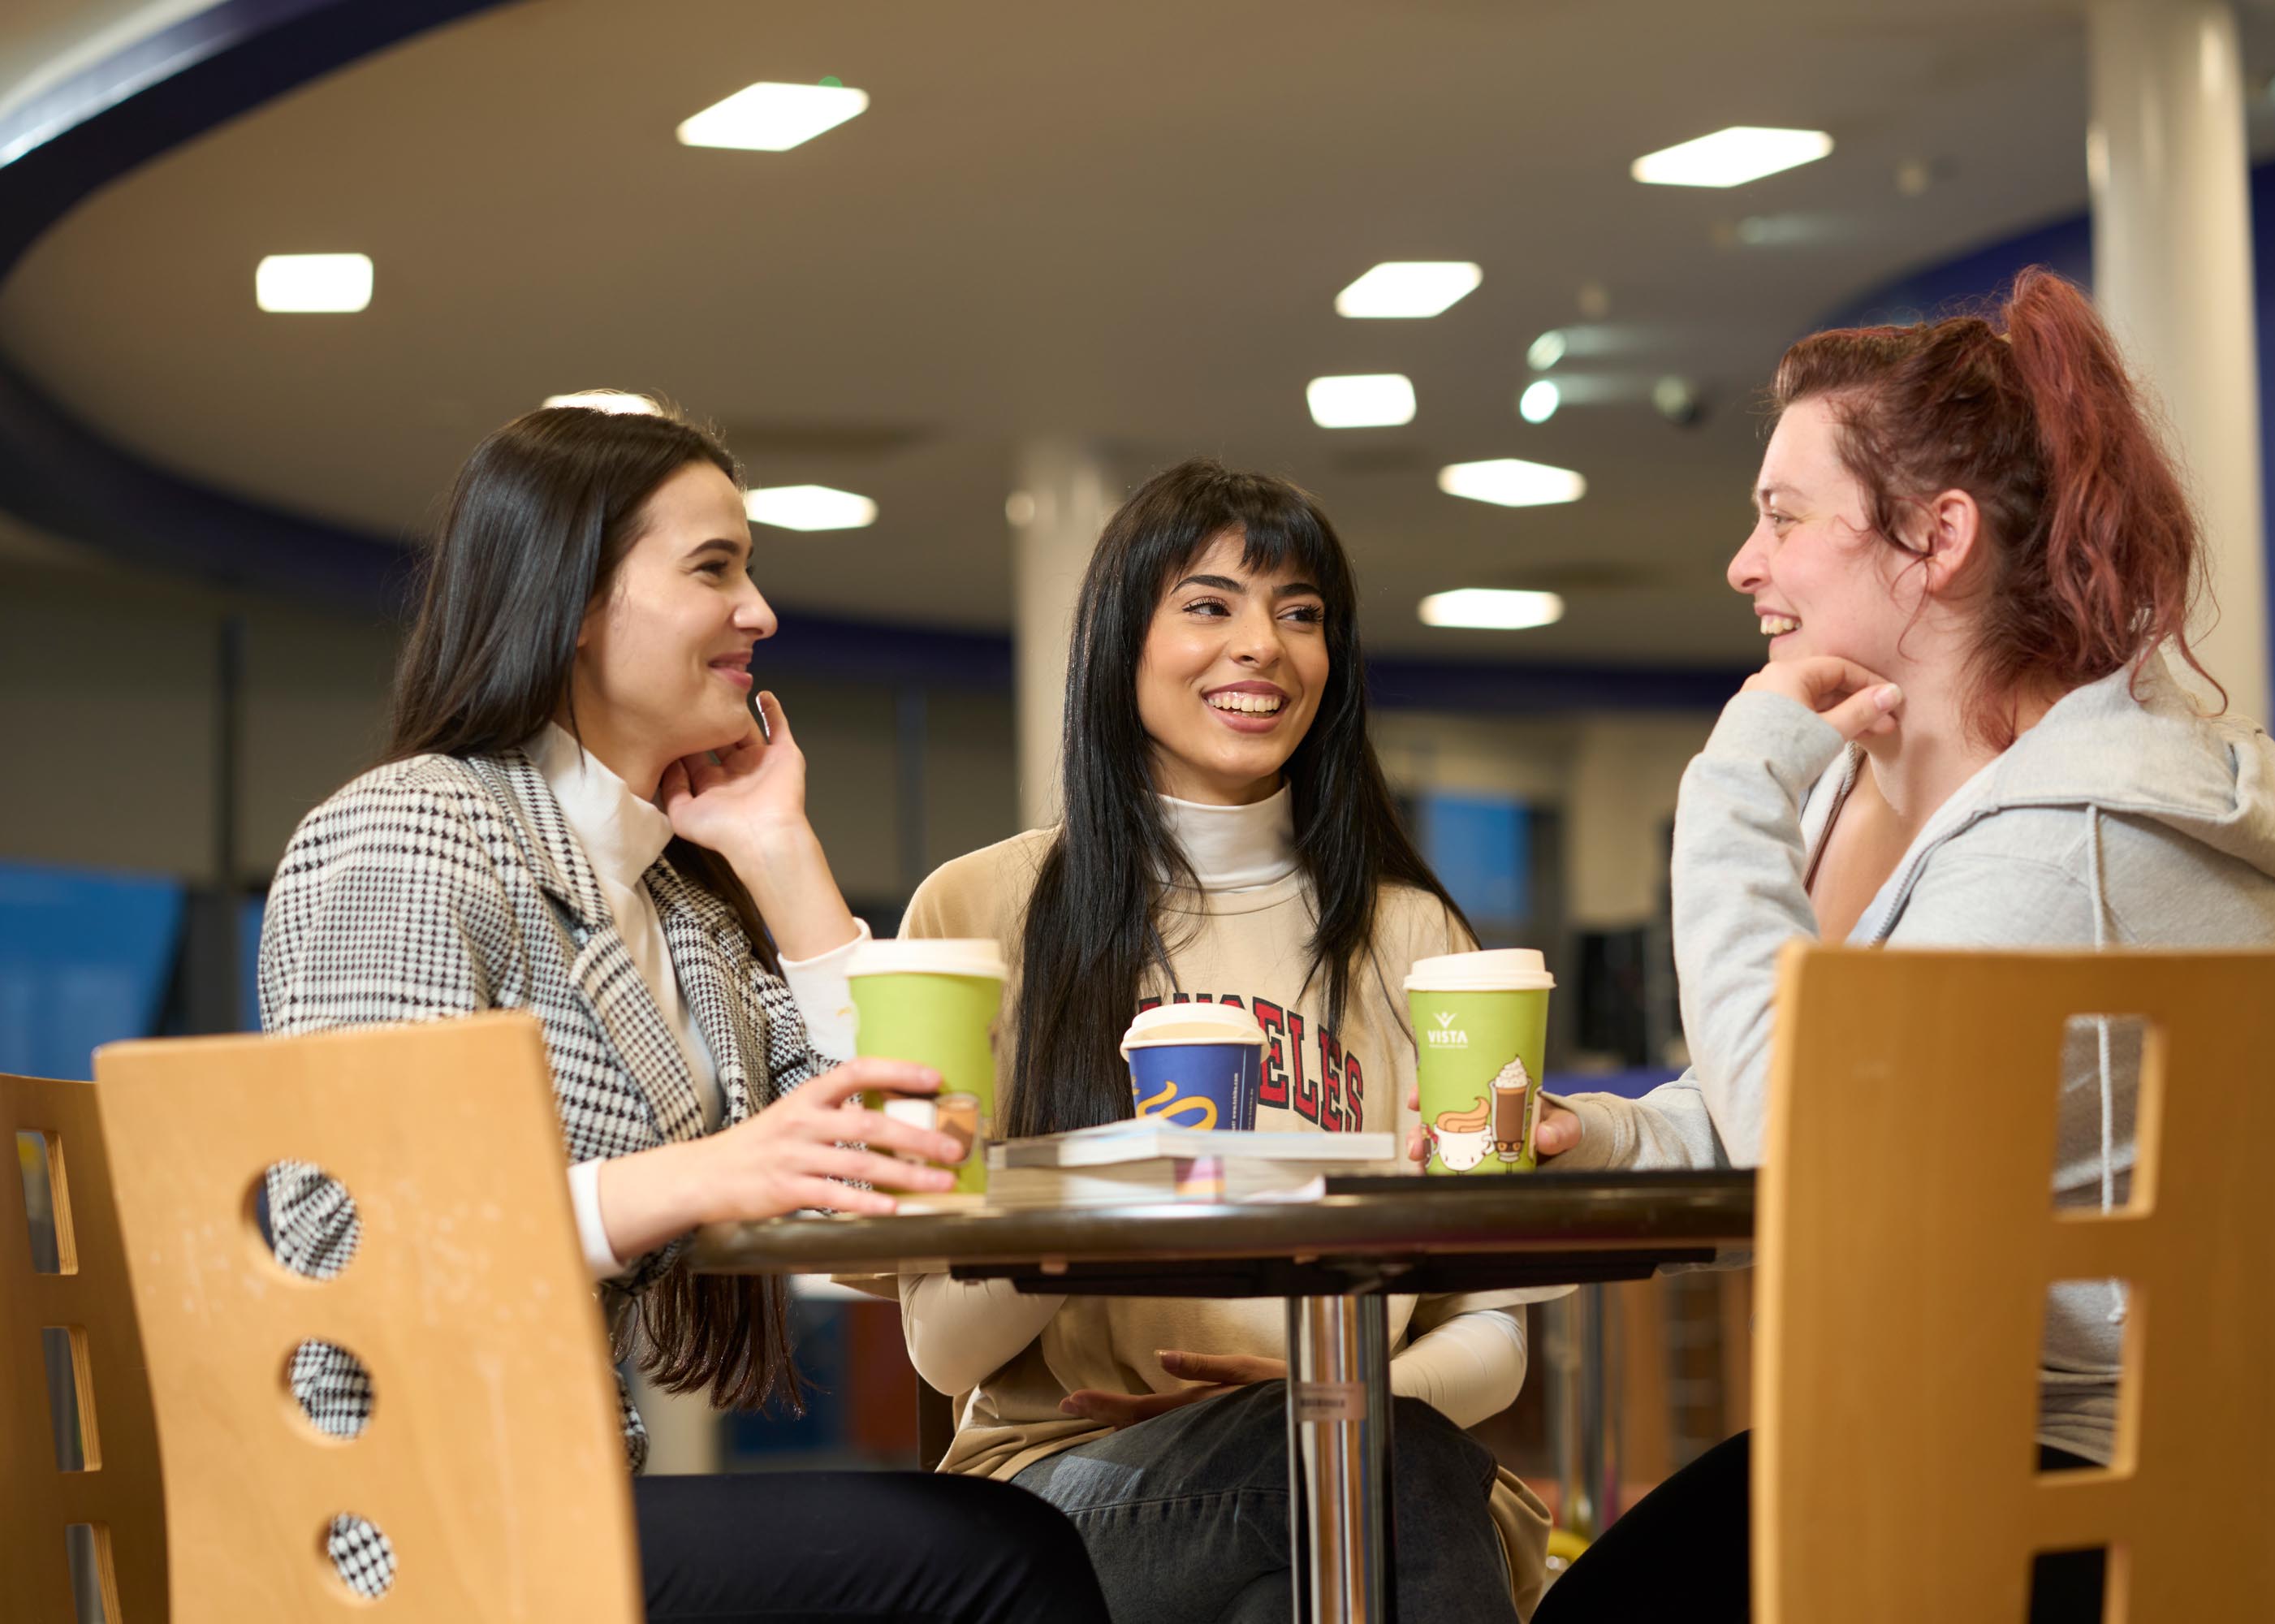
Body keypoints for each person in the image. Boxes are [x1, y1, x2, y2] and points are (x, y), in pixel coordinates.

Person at [1502, 270, 2275, 1623]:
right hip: (2025, 1452)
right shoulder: (1875, 802)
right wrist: (1601, 1136)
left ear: (1938, 539)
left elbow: (1815, 1165)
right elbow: (1798, 1108)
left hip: (2263, 1505)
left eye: (1783, 517)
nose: (1745, 564)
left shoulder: (2077, 844)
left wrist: (1731, 786)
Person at [258, 400, 1112, 1624]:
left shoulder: (675, 905)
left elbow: (903, 1174)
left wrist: (783, 856)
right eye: (715, 568)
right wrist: (705, 1173)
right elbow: (353, 1239)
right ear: (573, 600)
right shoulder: (416, 828)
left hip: (559, 1506)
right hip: (409, 1530)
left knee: (1002, 1540)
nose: (760, 613)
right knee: (999, 1553)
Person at [887, 459, 1553, 1622]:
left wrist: (1326, 1398)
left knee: (1317, 1524)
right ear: (1122, 644)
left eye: (1301, 614)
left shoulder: (1414, 936)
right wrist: (1114, 1184)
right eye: (1209, 605)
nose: (1262, 647)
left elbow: (1492, 1329)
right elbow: (942, 1350)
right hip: (1062, 1491)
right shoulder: (979, 910)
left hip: (1375, 1459)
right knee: (1355, 1473)